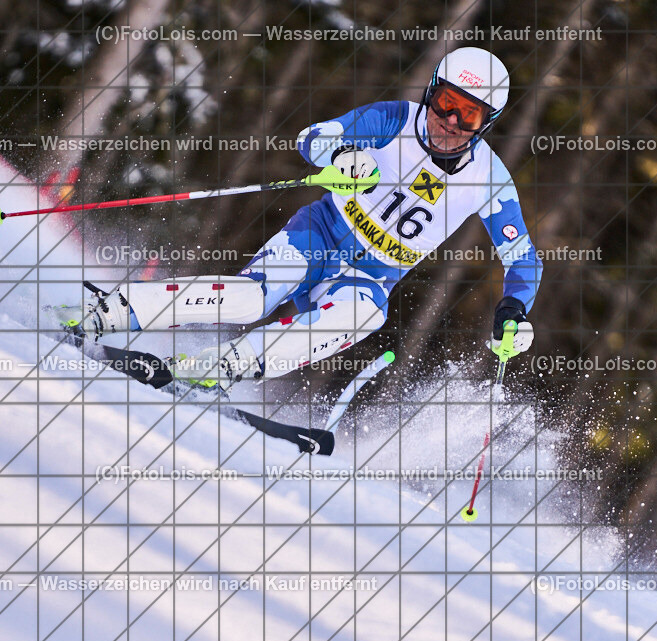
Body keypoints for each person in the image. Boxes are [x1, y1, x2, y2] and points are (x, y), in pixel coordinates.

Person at [54, 47, 542, 392]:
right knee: (250, 300)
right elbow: (314, 137)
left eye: (468, 115)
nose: (450, 122)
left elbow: (522, 258)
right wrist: (344, 156)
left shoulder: (489, 179)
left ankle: (223, 367)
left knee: (366, 315)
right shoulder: (394, 119)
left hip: (371, 275)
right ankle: (112, 311)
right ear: (432, 92)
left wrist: (514, 311)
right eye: (446, 103)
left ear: (486, 124)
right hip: (320, 235)